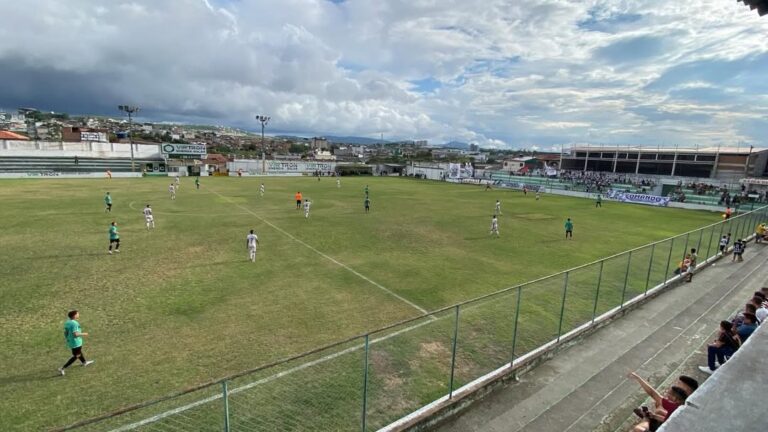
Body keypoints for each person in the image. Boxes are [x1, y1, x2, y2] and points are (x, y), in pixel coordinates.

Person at [58, 310, 94, 376]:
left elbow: (65, 332)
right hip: (76, 342)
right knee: (76, 355)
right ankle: (62, 368)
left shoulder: (67, 322)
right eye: (77, 314)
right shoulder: (75, 323)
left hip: (71, 341)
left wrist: (67, 339)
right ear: (74, 315)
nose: (78, 315)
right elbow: (75, 334)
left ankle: (84, 362)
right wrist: (84, 334)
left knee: (78, 352)